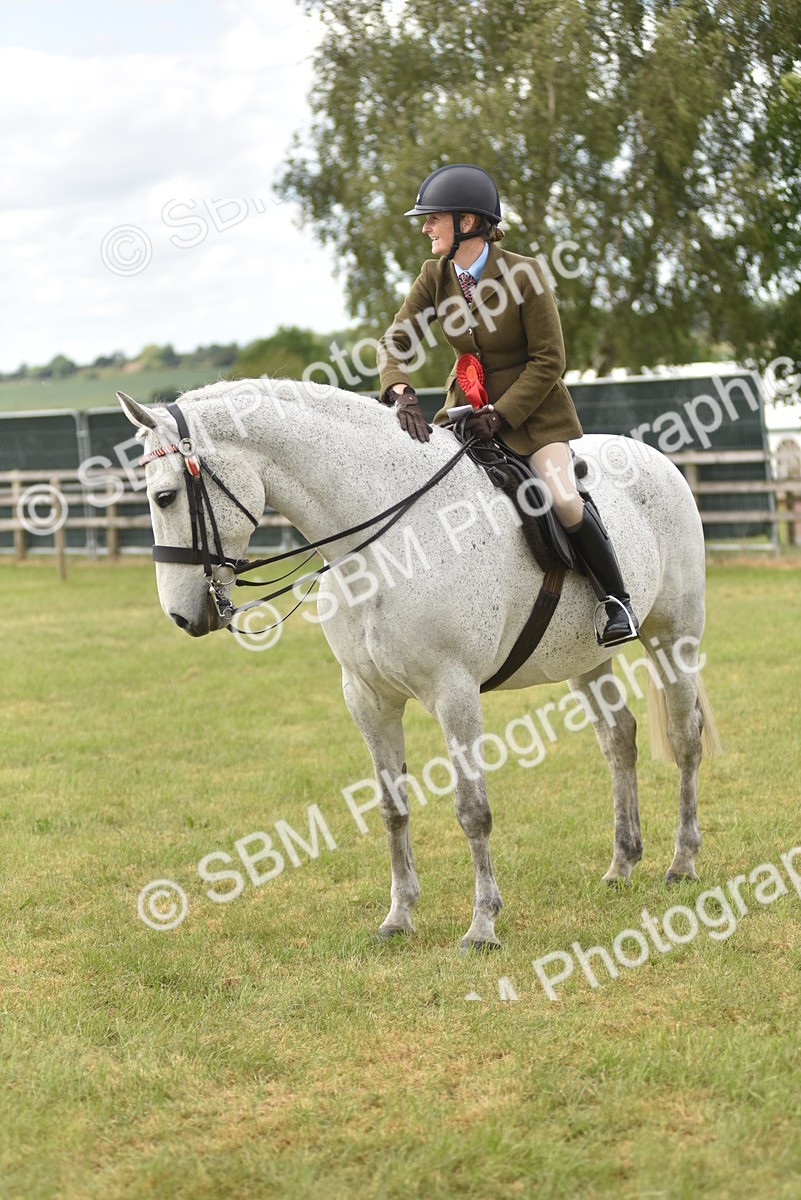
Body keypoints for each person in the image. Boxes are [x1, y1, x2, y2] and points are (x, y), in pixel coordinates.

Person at [376, 162, 639, 647]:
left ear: (468, 224)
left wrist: (503, 414)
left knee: (562, 496)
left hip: (534, 415)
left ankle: (617, 601)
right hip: (464, 416)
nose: (425, 227)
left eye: (434, 218)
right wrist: (401, 391)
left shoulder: (525, 274)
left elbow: (549, 360)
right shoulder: (434, 276)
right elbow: (396, 340)